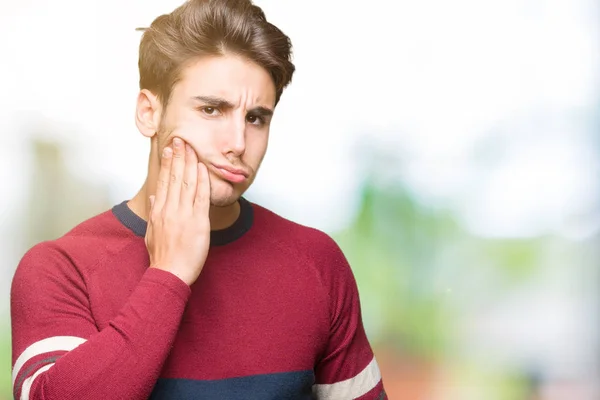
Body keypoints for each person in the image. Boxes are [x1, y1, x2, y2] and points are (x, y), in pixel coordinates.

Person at [10, 0, 387, 399]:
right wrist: (169, 275)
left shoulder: (316, 263)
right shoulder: (60, 270)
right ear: (148, 113)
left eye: (256, 118)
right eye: (211, 109)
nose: (238, 144)